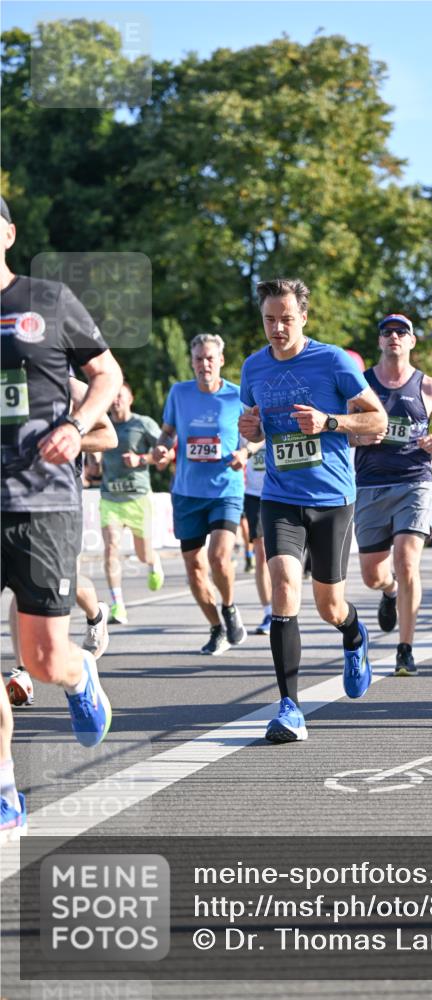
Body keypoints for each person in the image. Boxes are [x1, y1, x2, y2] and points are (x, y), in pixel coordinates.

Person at [1, 196, 122, 836]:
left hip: (41, 498)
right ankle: (4, 790)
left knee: (42, 659)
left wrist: (77, 426)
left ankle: (79, 676)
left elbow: (106, 373)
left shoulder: (45, 300)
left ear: (9, 233)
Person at [239, 277, 387, 742]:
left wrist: (330, 421)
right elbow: (254, 430)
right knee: (283, 586)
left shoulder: (332, 360)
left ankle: (354, 634)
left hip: (332, 499)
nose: (277, 328)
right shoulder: (253, 368)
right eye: (269, 320)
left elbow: (378, 418)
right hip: (280, 496)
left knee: (329, 605)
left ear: (304, 316)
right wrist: (250, 429)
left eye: (286, 319)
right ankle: (289, 708)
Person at [353, 312, 432, 676]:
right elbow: (341, 428)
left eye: (402, 332)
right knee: (373, 575)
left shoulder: (429, 387)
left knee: (407, 559)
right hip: (370, 483)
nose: (394, 337)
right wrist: (359, 436)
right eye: (388, 332)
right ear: (380, 341)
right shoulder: (361, 384)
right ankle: (389, 593)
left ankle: (405, 648)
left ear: (413, 342)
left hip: (415, 480)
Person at [6, 376, 118, 706]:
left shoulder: (73, 387)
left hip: (55, 502)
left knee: (51, 579)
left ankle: (96, 613)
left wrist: (66, 439)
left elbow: (107, 436)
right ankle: (22, 670)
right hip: (9, 500)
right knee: (19, 581)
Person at [152, 333, 248, 653]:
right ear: (191, 362)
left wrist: (245, 454)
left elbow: (255, 435)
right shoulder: (179, 393)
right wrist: (162, 450)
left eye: (210, 358)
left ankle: (230, 607)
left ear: (221, 360)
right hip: (187, 492)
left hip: (225, 489)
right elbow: (167, 434)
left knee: (218, 558)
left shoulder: (238, 396)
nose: (204, 364)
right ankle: (216, 627)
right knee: (194, 569)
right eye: (198, 359)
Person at [94, 380, 165, 624]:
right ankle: (118, 606)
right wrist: (93, 463)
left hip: (138, 498)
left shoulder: (143, 424)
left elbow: (165, 454)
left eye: (120, 396)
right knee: (111, 548)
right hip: (110, 497)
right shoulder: (103, 424)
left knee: (142, 553)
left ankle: (154, 562)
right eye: (112, 396)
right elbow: (94, 452)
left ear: (130, 398)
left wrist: (141, 459)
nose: (115, 401)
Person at [243, 442, 273, 634]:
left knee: (283, 557)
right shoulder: (241, 417)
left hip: (282, 491)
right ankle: (269, 612)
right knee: (261, 553)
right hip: (254, 495)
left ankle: (286, 608)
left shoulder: (277, 413)